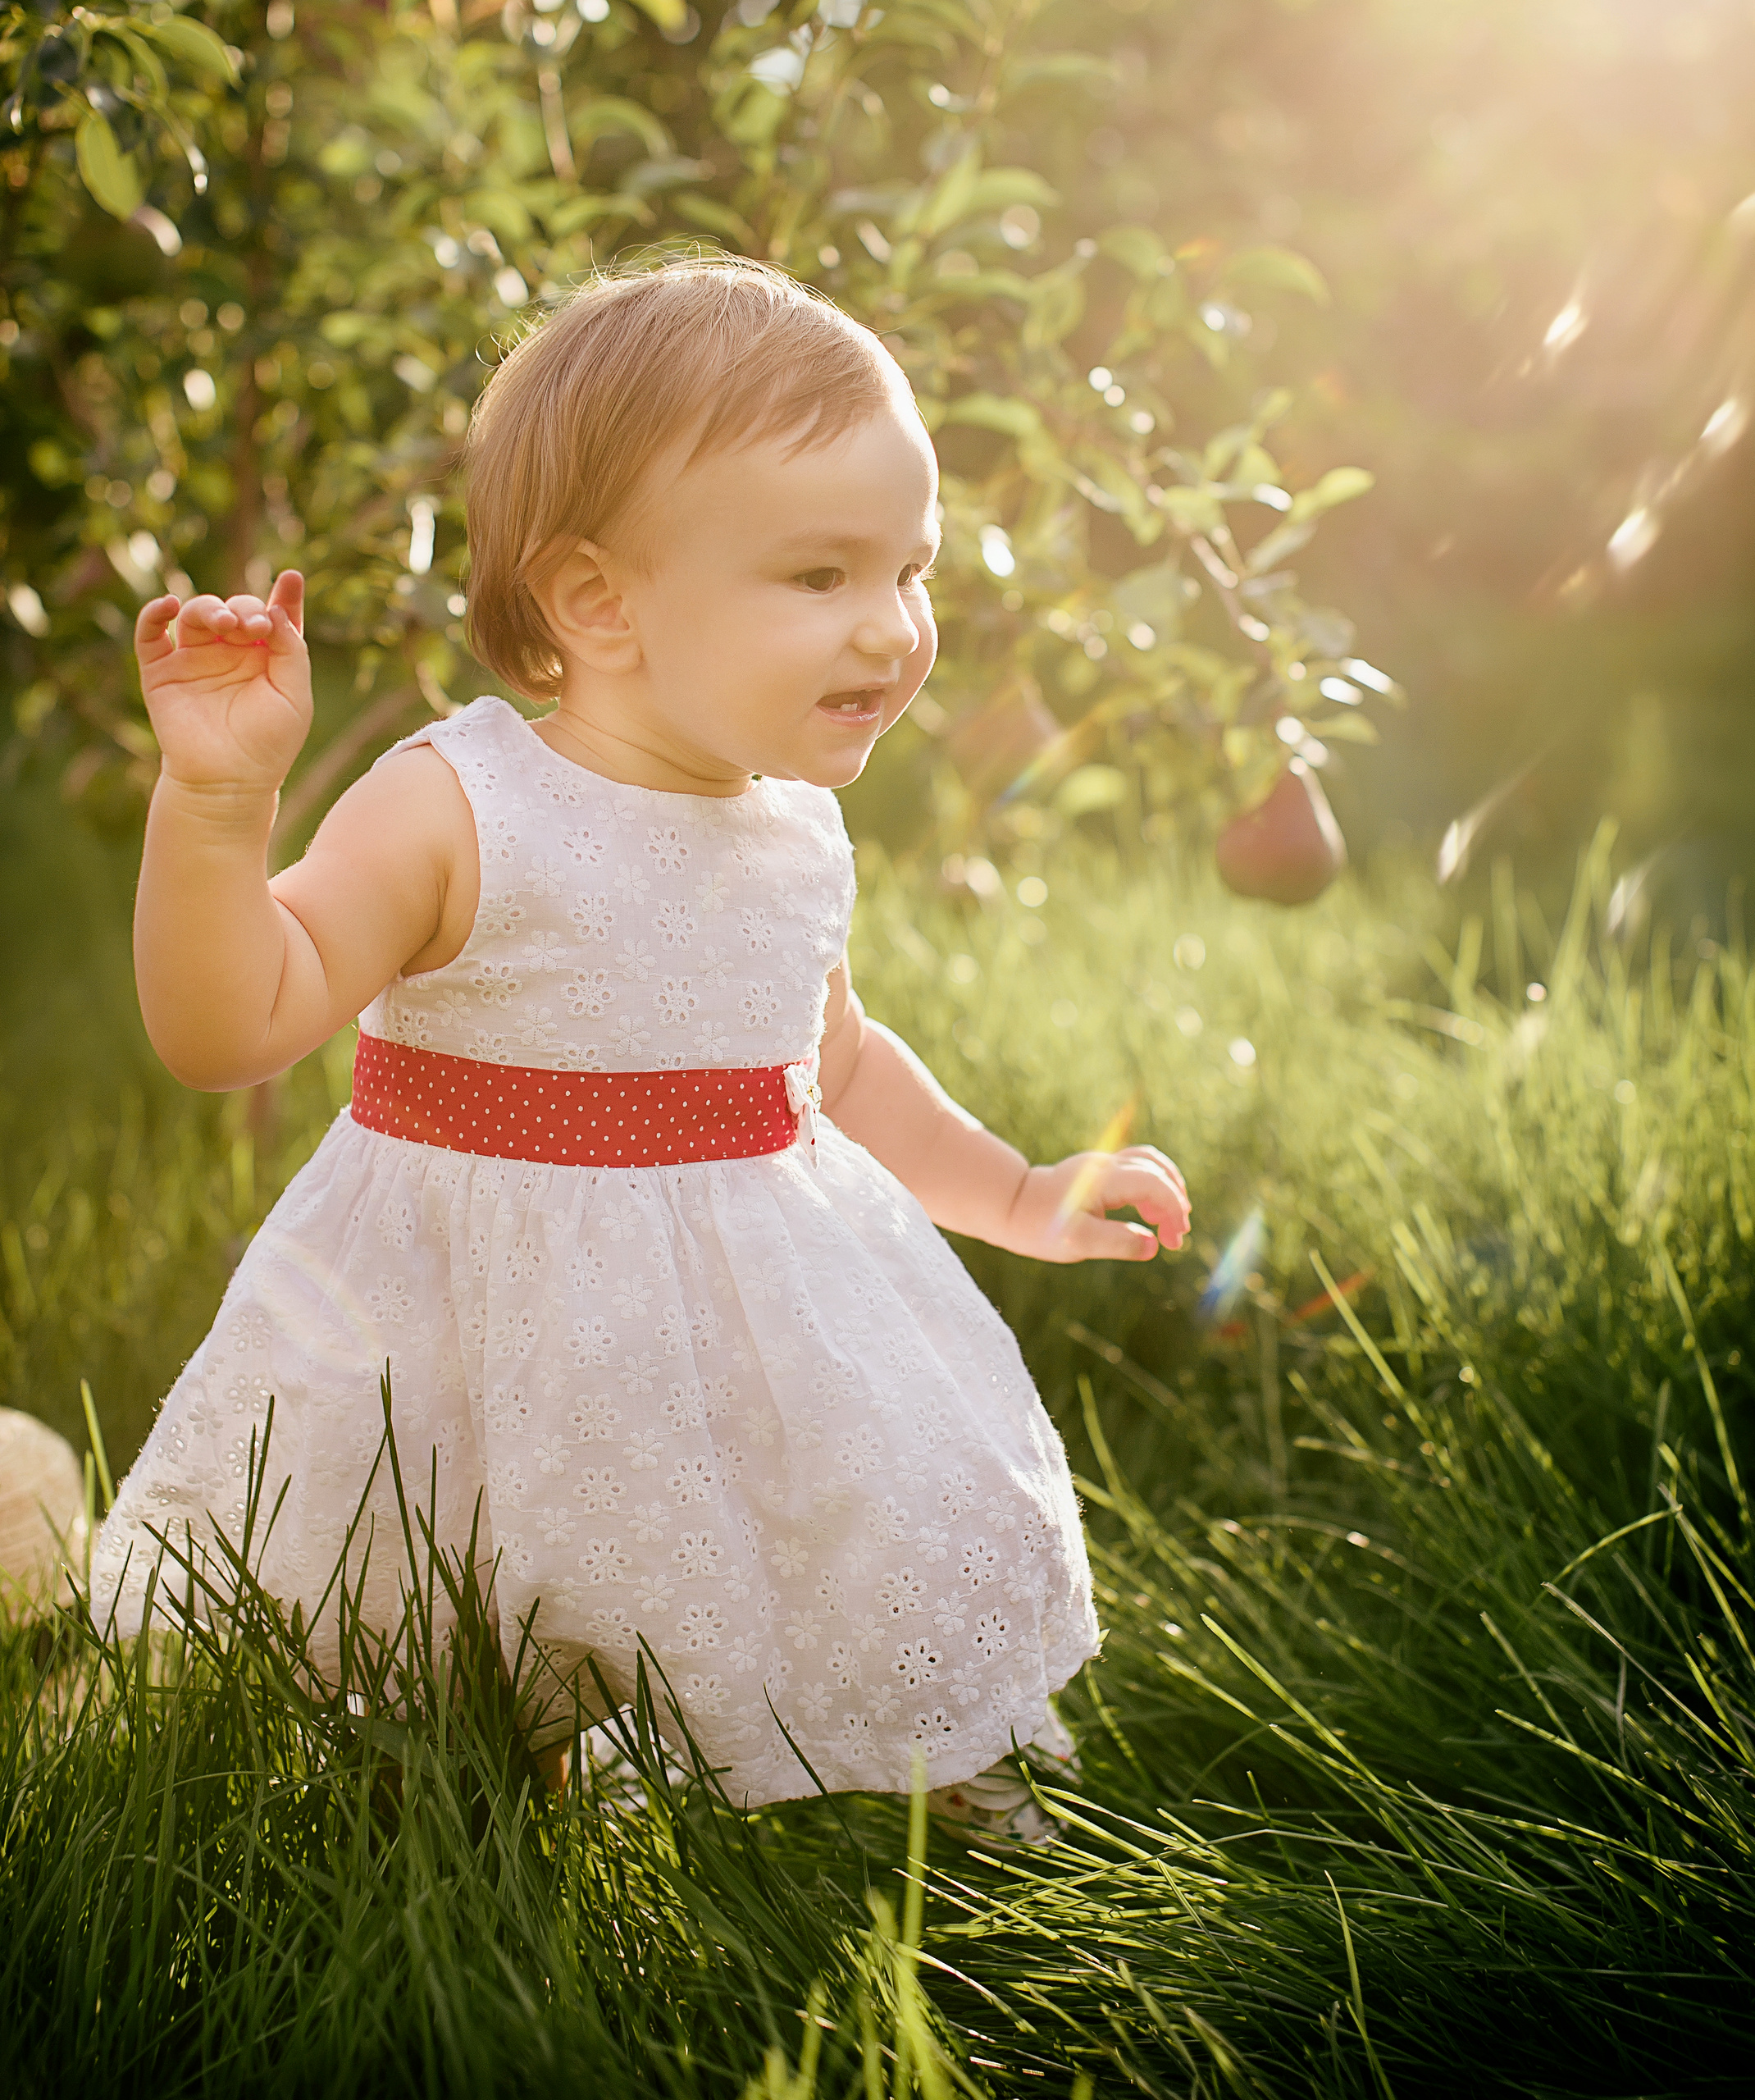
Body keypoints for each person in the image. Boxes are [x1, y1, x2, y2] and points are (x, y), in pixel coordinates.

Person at [90, 257, 1191, 1840]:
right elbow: (230, 1026)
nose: (893, 630)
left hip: (752, 1317)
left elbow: (840, 1068)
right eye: (821, 577)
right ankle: (490, 1794)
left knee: (842, 1537)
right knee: (471, 1599)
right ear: (599, 602)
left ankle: (882, 1766)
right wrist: (214, 806)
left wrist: (1018, 1192)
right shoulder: (458, 803)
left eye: (912, 572)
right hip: (477, 1318)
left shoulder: (796, 833)